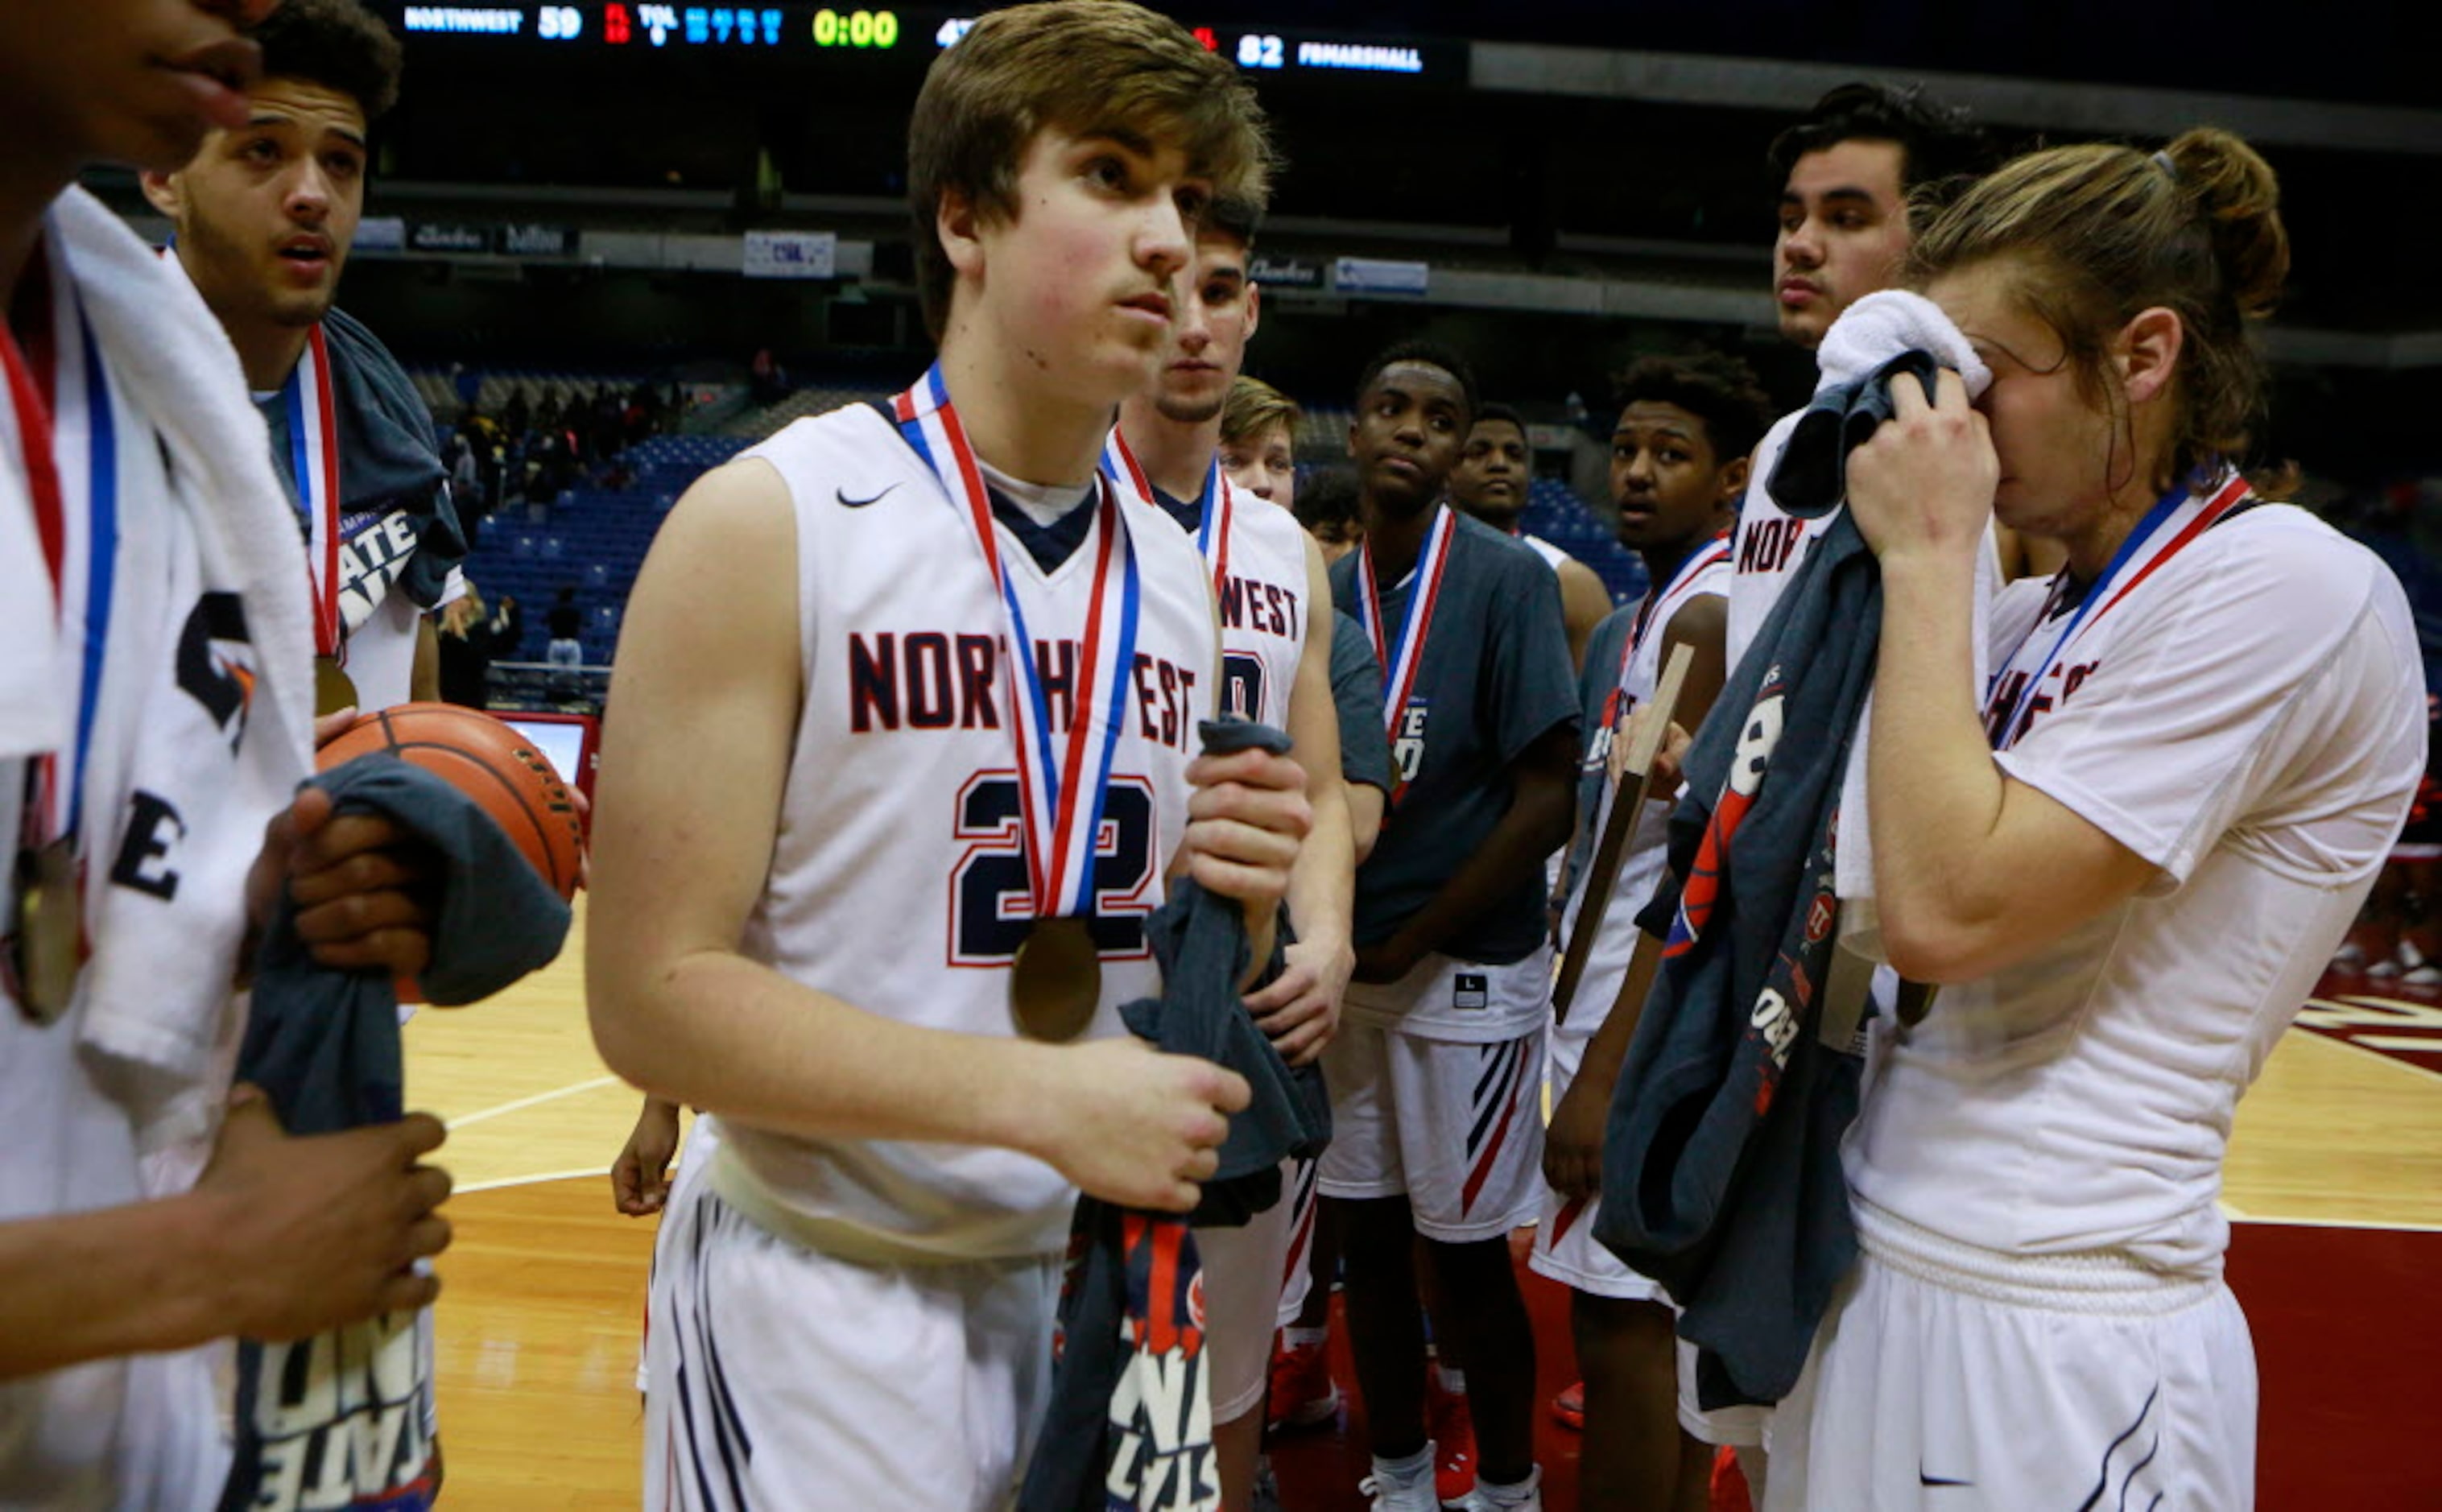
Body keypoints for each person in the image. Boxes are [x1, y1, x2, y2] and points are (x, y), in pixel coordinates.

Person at [583, 7, 1312, 1507]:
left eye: (1185, 198)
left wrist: (1226, 903)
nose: (1170, 240)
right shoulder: (772, 515)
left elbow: (1087, 949)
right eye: (1110, 176)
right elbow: (650, 997)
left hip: (1081, 1291)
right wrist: (1033, 1097)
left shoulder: (1177, 582)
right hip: (819, 1291)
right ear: (965, 219)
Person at [1768, 129, 2424, 1509]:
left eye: (1985, 377)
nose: (1947, 422)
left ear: (2140, 356)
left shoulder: (2291, 587)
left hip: (2058, 1311)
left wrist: (1931, 552)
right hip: (1877, 1251)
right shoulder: (2024, 610)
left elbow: (1946, 909)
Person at [1, 0, 454, 1502]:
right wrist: (194, 1261)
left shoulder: (141, 390)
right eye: (265, 150)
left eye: (344, 156)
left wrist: (291, 884)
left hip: (164, 1311)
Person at [1102, 204, 1355, 1511]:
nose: (1194, 320)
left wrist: (1328, 938)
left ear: (1252, 311)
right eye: (1173, 287)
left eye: (1225, 290)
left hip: (1235, 1011)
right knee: (1061, 1389)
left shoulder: (1283, 550)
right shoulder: (1052, 500)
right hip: (1079, 1010)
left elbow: (1314, 785)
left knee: (1225, 1392)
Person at [1322, 340, 1578, 1512]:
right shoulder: (1319, 593)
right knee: (1363, 1245)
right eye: (1391, 408)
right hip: (1346, 968)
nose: (1413, 431)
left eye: (1440, 418)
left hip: (1462, 969)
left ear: (1460, 447)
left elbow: (1546, 796)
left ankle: (1512, 1490)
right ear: (1356, 429)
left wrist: (1416, 932)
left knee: (1463, 1256)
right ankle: (1400, 1474)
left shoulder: (1506, 579)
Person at [1532, 354, 1771, 1509]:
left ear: (1731, 478)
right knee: (1653, 1339)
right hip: (1628, 1002)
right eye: (1624, 447)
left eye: (1668, 453)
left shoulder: (1717, 612)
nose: (1633, 472)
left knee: (1618, 1324)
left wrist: (1605, 1073)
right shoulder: (1650, 610)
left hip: (1638, 1015)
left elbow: (1689, 869)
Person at [139, 0, 464, 717]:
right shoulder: (55, 395)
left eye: (341, 163)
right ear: (164, 177)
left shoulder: (387, 399)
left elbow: (419, 674)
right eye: (263, 151)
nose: (314, 195)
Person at [1448, 403, 1612, 669]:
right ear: (1448, 469)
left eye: (1514, 454)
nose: (1500, 464)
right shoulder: (1411, 569)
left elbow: (1598, 704)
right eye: (1480, 452)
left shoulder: (1571, 583)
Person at [436, 581, 519, 708]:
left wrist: (457, 624)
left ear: (472, 603)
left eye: (463, 598)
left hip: (470, 694)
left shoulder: (480, 629)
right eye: (453, 599)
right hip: (444, 693)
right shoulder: (441, 632)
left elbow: (471, 656)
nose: (457, 603)